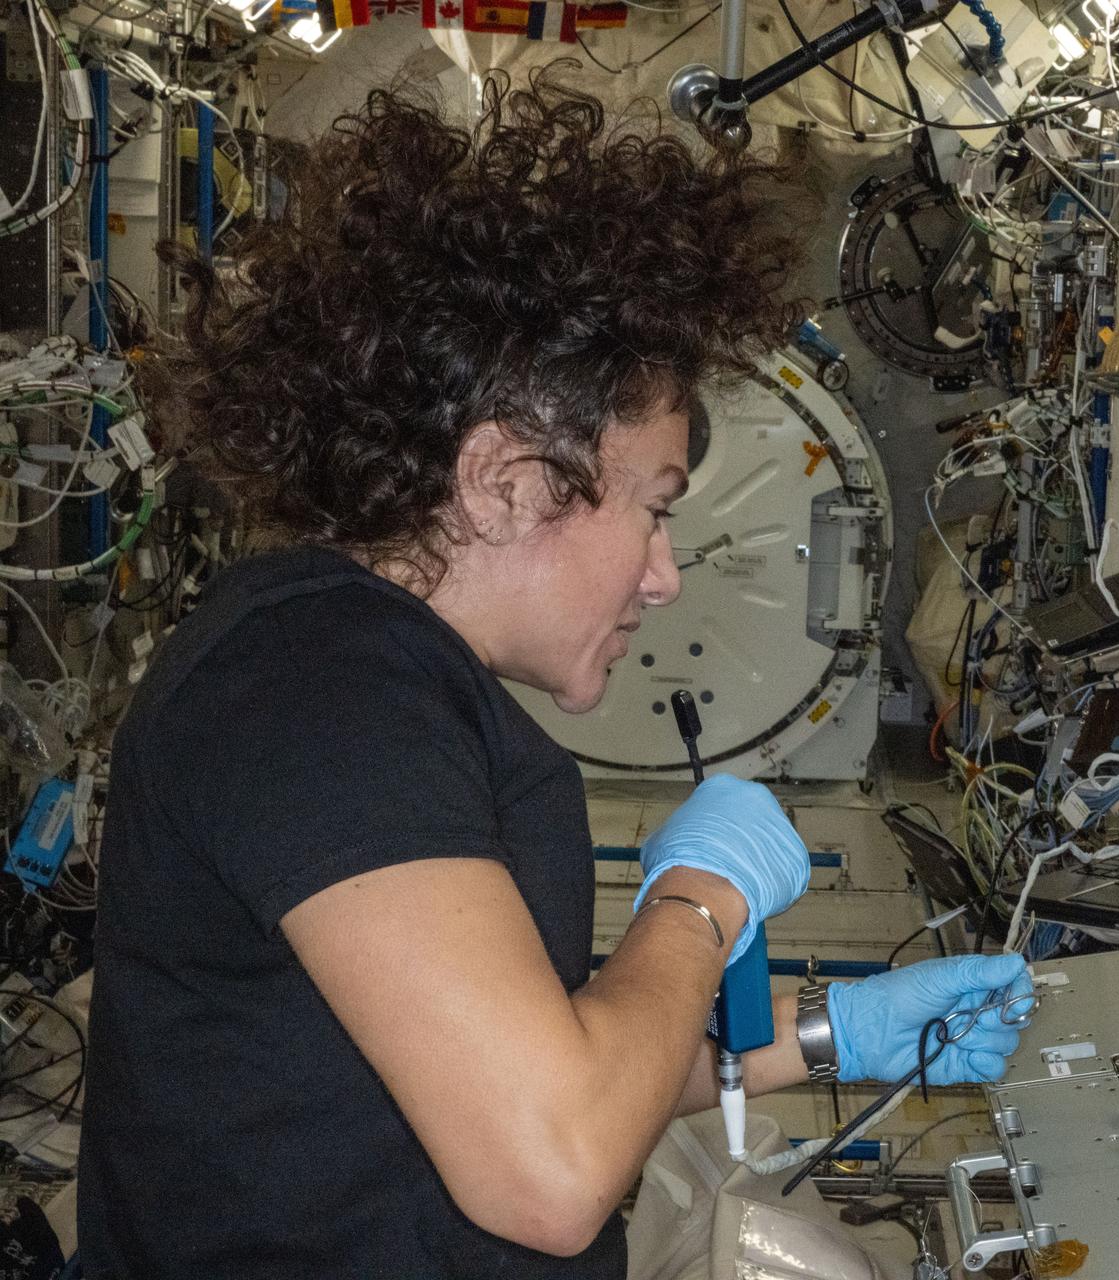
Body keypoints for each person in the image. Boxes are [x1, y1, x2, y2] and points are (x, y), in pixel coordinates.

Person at [76, 73, 1033, 1278]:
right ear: (506, 480)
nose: (663, 573)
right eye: (653, 507)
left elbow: (549, 1065)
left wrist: (837, 1037)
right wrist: (698, 901)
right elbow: (553, 1164)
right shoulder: (319, 695)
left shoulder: (371, 674)